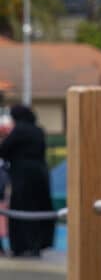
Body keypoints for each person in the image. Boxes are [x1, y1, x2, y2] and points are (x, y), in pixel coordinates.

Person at [0, 105, 55, 257]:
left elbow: (4, 149)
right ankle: (37, 245)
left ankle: (21, 246)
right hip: (40, 173)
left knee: (22, 209)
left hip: (23, 175)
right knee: (38, 209)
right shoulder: (38, 130)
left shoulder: (19, 130)